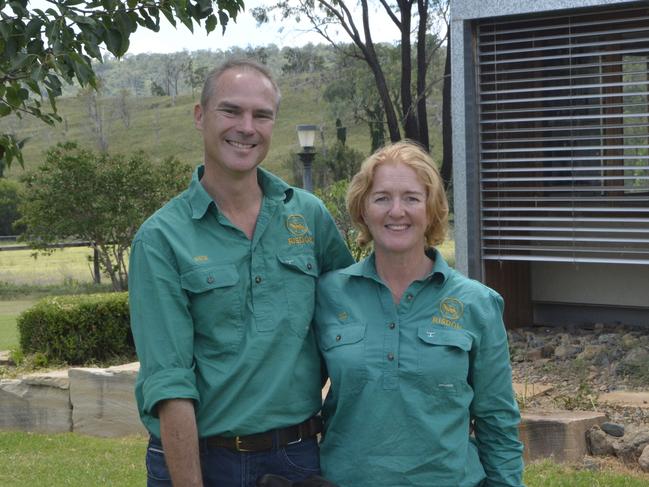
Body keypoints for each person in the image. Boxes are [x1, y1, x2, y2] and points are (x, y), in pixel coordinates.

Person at [129, 59, 354, 487]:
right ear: (200, 116)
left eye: (261, 115)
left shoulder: (308, 216)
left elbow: (354, 321)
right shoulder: (161, 238)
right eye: (230, 111)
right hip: (201, 461)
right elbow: (169, 381)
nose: (246, 127)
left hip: (298, 458)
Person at [314, 140, 525, 486]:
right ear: (363, 209)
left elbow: (497, 422)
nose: (397, 211)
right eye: (382, 197)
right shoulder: (329, 295)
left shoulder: (477, 304)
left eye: (412, 198)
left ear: (431, 210)